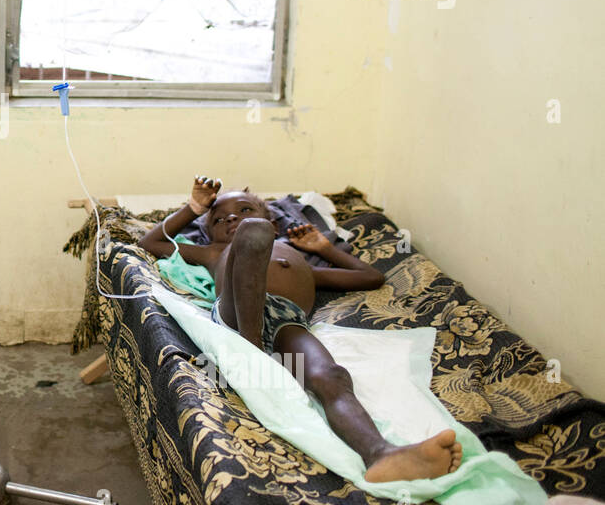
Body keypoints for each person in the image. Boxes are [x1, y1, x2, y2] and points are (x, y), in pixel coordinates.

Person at [138, 176, 462, 483]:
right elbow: (149, 241)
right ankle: (250, 351)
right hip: (236, 313)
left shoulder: (296, 259)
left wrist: (325, 249)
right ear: (210, 235)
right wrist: (193, 208)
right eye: (219, 219)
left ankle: (380, 454)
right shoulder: (213, 252)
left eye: (244, 210)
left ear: (276, 224)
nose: (231, 219)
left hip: (286, 323)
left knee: (331, 376)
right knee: (251, 237)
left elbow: (371, 277)